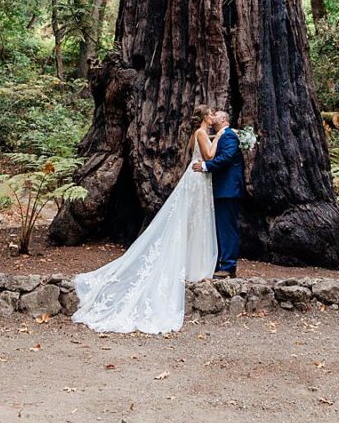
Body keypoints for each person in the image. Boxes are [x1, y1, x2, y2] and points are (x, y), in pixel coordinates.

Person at [70, 105, 220, 334]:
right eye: (210, 113)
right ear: (203, 118)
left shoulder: (197, 134)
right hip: (197, 179)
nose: (213, 116)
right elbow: (209, 155)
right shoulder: (201, 133)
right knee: (192, 221)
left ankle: (192, 264)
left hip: (197, 178)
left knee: (192, 222)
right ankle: (193, 265)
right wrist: (220, 136)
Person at [195, 109, 243, 277]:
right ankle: (219, 262)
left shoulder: (228, 136)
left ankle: (228, 267)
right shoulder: (221, 135)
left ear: (223, 119)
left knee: (227, 228)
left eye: (216, 114)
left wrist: (205, 166)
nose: (212, 116)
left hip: (228, 189)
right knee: (219, 228)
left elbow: (227, 157)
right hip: (221, 189)